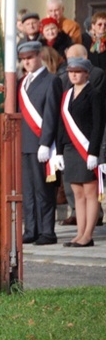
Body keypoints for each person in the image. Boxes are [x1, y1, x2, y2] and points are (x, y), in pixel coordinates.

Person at [17, 41, 62, 245]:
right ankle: (31, 228)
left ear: (39, 56)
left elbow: (52, 114)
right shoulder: (21, 82)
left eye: (30, 58)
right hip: (25, 143)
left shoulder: (51, 80)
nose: (27, 62)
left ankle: (47, 231)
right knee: (28, 189)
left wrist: (45, 142)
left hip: (42, 144)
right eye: (24, 59)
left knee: (43, 189)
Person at [56, 57, 103, 248]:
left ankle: (88, 235)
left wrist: (93, 152)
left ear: (87, 73)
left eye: (78, 71)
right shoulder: (67, 95)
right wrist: (58, 151)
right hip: (70, 148)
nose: (74, 75)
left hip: (87, 149)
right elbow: (61, 125)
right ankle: (79, 233)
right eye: (71, 71)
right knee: (77, 192)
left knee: (90, 192)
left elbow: (99, 125)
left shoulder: (95, 94)